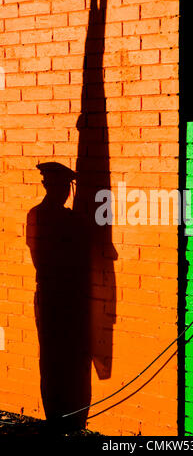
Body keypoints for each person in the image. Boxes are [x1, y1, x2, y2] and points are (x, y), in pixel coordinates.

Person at [26, 162, 91, 433]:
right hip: (55, 294)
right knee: (54, 357)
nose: (63, 192)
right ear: (47, 187)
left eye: (65, 187)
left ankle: (66, 415)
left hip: (65, 295)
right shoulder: (42, 216)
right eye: (59, 187)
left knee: (65, 357)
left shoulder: (53, 216)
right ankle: (57, 415)